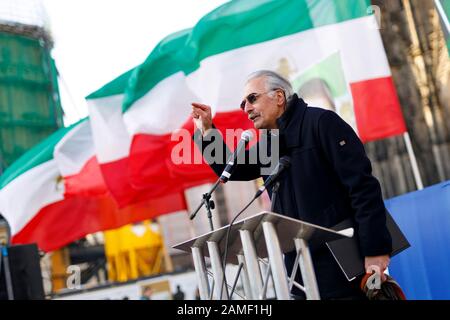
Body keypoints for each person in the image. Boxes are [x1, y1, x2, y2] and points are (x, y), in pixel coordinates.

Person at [191, 70, 392, 300]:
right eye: (242, 103)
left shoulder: (322, 123)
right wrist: (207, 131)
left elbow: (363, 189)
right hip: (298, 267)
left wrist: (376, 250)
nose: (246, 108)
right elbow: (232, 169)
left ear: (279, 97)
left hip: (345, 260)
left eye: (252, 98)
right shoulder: (269, 145)